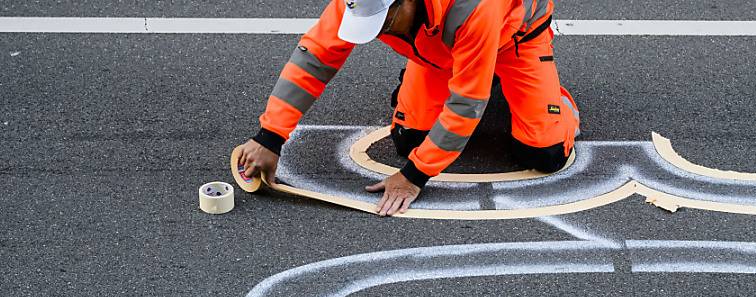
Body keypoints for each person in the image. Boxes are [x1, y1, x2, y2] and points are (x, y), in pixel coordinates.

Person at [237, 0, 580, 216]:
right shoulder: (360, 1)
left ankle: (555, 101)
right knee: (410, 140)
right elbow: (314, 59)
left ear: (404, 4)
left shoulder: (475, 7)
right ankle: (461, 72)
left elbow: (466, 102)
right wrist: (270, 136)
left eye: (384, 25)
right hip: (437, 47)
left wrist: (414, 177)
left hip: (513, 40)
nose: (376, 35)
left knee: (545, 154)